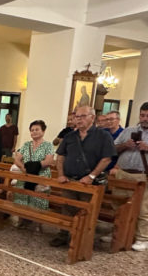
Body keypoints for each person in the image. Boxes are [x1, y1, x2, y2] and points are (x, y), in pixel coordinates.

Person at [49, 105, 116, 247]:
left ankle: (82, 239)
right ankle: (63, 234)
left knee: (86, 211)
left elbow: (107, 158)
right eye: (77, 116)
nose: (79, 119)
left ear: (92, 117)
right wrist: (61, 174)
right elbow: (60, 156)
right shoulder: (70, 136)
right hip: (70, 180)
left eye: (83, 116)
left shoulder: (103, 136)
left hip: (91, 183)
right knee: (67, 208)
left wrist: (91, 176)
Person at [110, 102, 148, 251]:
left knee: (143, 208)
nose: (144, 118)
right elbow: (112, 148)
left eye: (147, 116)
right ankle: (116, 232)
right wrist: (125, 145)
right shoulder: (128, 131)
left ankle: (142, 238)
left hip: (142, 175)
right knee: (118, 204)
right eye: (142, 115)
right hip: (123, 173)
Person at [12, 120, 54, 213]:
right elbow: (17, 160)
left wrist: (34, 167)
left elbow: (49, 160)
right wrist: (24, 168)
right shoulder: (26, 145)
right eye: (32, 130)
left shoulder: (48, 145)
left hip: (41, 177)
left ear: (43, 131)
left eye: (37, 129)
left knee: (37, 202)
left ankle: (37, 220)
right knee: (21, 201)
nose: (34, 132)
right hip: (25, 175)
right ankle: (21, 218)